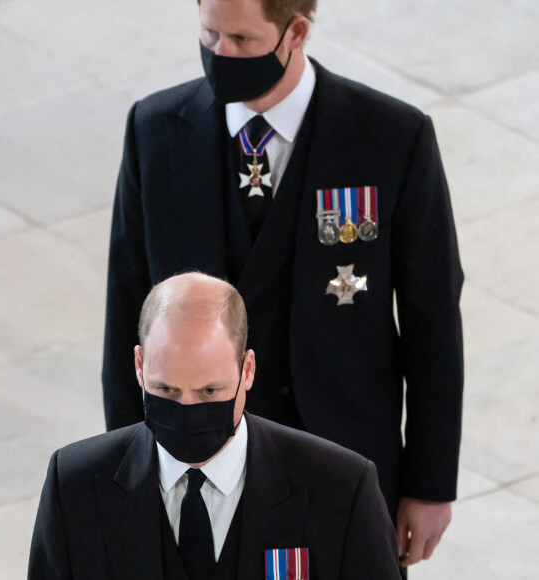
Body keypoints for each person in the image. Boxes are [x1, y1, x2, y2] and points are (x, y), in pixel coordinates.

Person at [103, 0, 463, 568]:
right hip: (195, 466)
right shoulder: (155, 131)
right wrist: (125, 475)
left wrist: (430, 484)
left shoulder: (392, 137)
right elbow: (128, 310)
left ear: (295, 31)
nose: (220, 54)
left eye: (242, 41)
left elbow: (433, 321)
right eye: (209, 34)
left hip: (345, 466)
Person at [29, 273, 401, 579]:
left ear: (248, 369)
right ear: (139, 366)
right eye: (166, 389)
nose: (187, 409)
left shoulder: (341, 489)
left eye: (210, 391)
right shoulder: (74, 486)